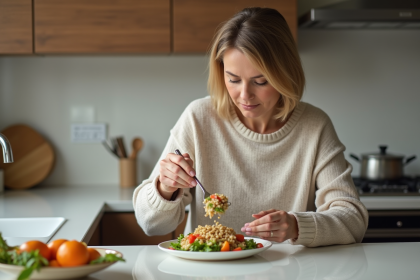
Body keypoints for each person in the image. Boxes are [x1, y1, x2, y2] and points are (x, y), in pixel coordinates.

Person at [133, 7, 368, 247]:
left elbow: (353, 220)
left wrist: (298, 226)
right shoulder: (199, 118)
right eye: (233, 79)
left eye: (260, 81)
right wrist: (165, 187)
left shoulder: (314, 126)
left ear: (285, 74)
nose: (244, 95)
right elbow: (151, 224)